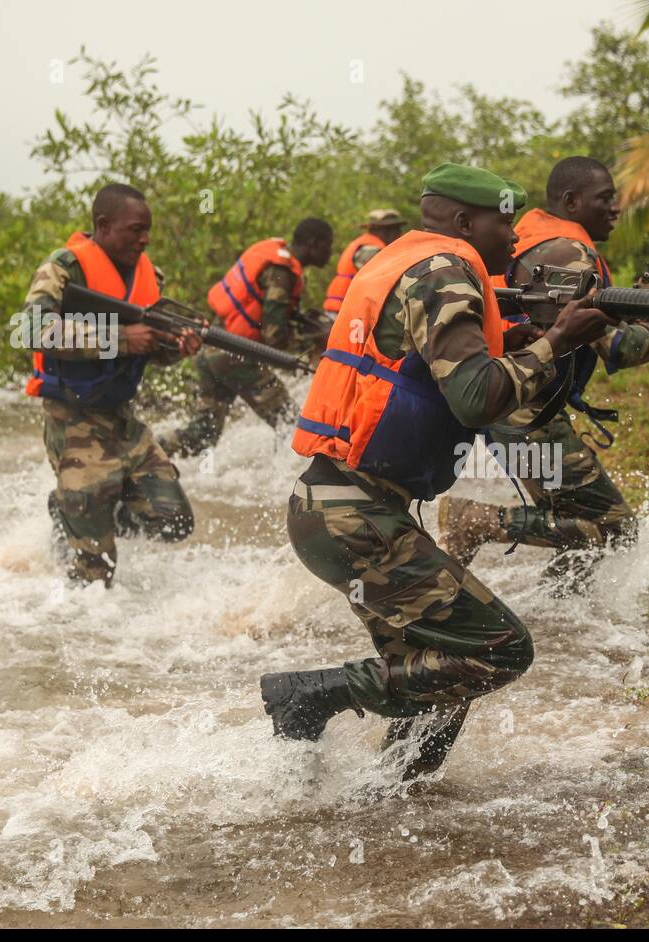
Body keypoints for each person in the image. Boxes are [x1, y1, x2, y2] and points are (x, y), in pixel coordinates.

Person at [259, 163, 614, 778]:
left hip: (339, 508)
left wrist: (530, 340)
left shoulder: (415, 264)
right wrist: (555, 341)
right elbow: (477, 398)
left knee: (440, 671)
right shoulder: (445, 274)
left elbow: (457, 374)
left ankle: (396, 798)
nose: (513, 239)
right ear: (462, 221)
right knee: (500, 649)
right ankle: (309, 695)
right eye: (504, 224)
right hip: (355, 515)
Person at [439, 156, 649, 593]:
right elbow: (618, 346)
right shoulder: (568, 253)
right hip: (523, 413)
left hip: (512, 404)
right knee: (616, 526)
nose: (616, 208)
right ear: (572, 201)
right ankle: (477, 522)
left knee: (577, 523)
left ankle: (560, 611)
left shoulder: (543, 239)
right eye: (606, 198)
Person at [19, 183, 200, 586]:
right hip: (73, 420)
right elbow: (30, 329)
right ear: (103, 225)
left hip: (123, 421)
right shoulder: (63, 268)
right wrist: (120, 338)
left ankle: (76, 509)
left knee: (174, 521)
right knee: (96, 577)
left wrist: (174, 346)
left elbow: (149, 348)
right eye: (136, 229)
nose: (145, 238)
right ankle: (77, 512)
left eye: (148, 229)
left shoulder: (150, 276)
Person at [158, 218, 335, 457]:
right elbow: (274, 337)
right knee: (293, 425)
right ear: (314, 244)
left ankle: (151, 451)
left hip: (211, 348)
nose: (331, 252)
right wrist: (315, 339)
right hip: (235, 355)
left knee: (201, 435)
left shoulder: (277, 259)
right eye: (328, 246)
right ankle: (293, 482)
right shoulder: (282, 272)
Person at [321, 209, 406, 318]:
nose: (400, 234)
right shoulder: (371, 250)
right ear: (386, 231)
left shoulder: (363, 243)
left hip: (341, 309)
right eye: (397, 230)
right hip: (345, 313)